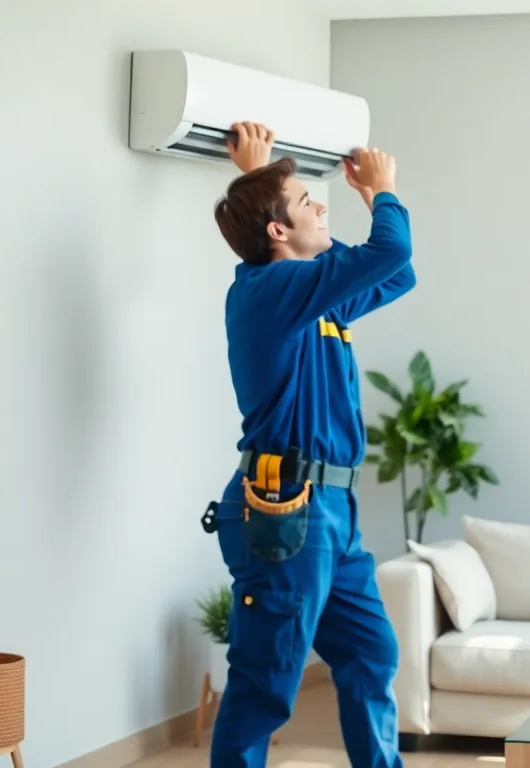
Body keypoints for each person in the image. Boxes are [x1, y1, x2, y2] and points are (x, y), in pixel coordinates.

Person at [199, 121, 414, 768]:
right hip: (285, 507)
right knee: (266, 685)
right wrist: (380, 192)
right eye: (306, 202)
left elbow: (395, 277)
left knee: (371, 655)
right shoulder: (270, 292)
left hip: (332, 516)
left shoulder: (315, 298)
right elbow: (389, 252)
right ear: (277, 233)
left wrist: (260, 181)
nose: (322, 205)